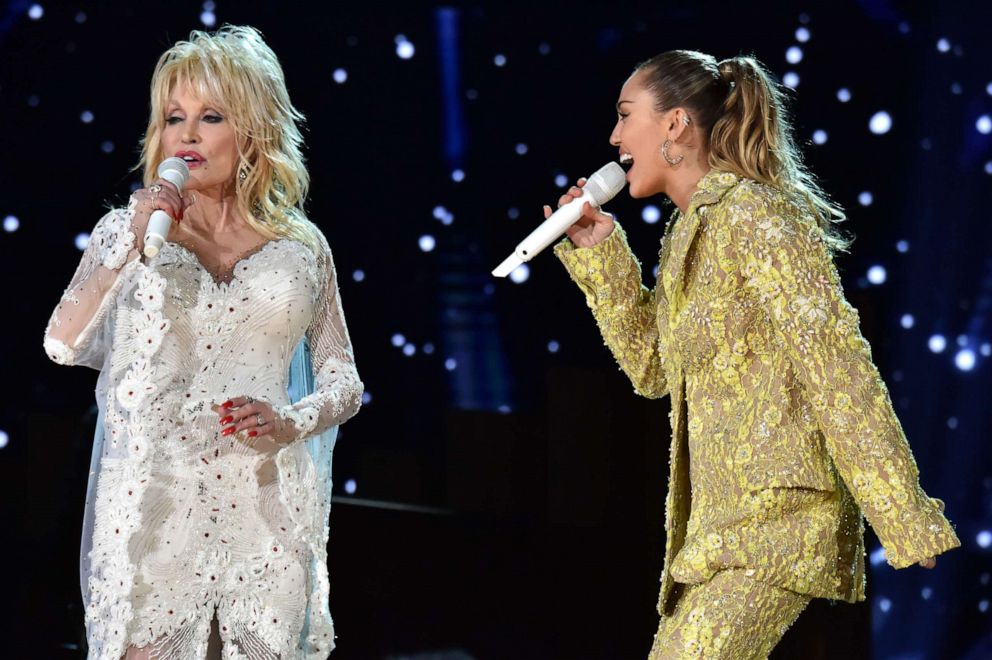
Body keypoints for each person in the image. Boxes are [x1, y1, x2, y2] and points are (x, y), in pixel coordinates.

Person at [549, 50, 959, 659]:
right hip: (713, 534)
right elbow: (652, 370)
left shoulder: (759, 215)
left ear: (675, 124)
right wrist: (601, 255)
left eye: (625, 115)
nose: (613, 136)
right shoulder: (689, 230)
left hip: (782, 520)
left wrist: (902, 511)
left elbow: (836, 364)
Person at [43, 26, 363, 659]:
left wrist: (289, 421)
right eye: (173, 117)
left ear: (254, 128)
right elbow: (62, 341)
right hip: (155, 512)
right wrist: (126, 245)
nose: (186, 135)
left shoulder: (303, 249)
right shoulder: (127, 233)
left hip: (264, 512)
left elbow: (343, 379)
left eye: (210, 116)